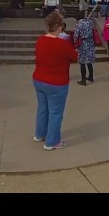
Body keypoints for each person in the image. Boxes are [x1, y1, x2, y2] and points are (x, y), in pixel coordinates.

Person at [32, 10, 78, 151]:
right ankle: (52, 142)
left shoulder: (40, 40)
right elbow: (75, 57)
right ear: (58, 26)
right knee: (55, 112)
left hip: (39, 79)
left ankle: (40, 134)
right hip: (56, 83)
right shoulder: (62, 44)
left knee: (42, 108)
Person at [73, 11, 96, 85]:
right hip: (90, 42)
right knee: (89, 61)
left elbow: (76, 35)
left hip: (83, 43)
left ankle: (83, 80)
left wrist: (75, 41)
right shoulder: (89, 22)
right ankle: (91, 76)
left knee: (82, 62)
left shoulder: (79, 24)